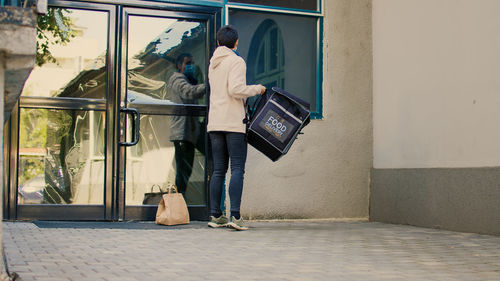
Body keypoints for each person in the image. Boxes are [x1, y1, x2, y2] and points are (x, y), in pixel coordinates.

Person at [207, 25, 266, 230]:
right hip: (232, 122)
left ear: (218, 43)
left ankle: (216, 216)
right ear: (236, 42)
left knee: (218, 171)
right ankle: (235, 217)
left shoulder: (213, 63)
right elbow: (236, 89)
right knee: (237, 169)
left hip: (215, 123)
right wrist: (257, 89)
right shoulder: (236, 60)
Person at [167, 53, 206, 196]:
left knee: (185, 171)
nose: (191, 66)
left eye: (193, 62)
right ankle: (177, 204)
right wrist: (209, 85)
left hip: (190, 132)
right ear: (179, 65)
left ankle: (179, 202)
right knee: (183, 172)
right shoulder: (177, 80)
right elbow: (189, 92)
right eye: (188, 63)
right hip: (182, 133)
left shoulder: (188, 80)